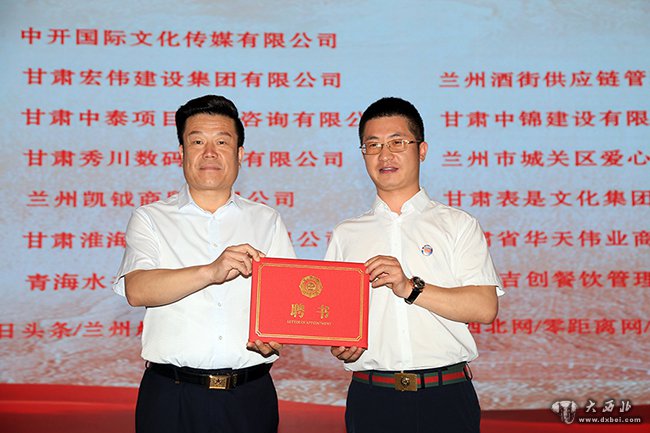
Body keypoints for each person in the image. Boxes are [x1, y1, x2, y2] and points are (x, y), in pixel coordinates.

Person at [113, 94, 295, 433]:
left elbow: (287, 300)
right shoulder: (151, 218)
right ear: (181, 153)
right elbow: (136, 289)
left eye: (222, 142)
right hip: (172, 397)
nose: (209, 152)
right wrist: (211, 272)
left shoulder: (266, 220)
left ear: (240, 154)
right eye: (197, 142)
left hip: (249, 396)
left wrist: (277, 334)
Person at [326, 97, 504, 433]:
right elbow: (335, 321)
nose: (385, 155)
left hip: (445, 396)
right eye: (373, 145)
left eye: (397, 143)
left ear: (421, 150)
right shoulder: (346, 234)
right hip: (372, 398)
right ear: (363, 154)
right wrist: (341, 345)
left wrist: (410, 287)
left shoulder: (458, 225)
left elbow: (484, 307)